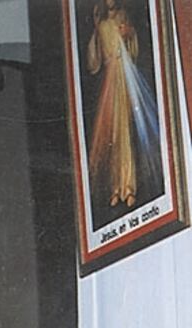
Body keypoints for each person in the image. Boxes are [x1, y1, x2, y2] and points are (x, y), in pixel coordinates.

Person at [86, 0, 161, 216]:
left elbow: (133, 46)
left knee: (125, 133)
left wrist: (129, 34)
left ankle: (128, 187)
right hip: (110, 81)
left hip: (124, 77)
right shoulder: (101, 24)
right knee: (112, 136)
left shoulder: (123, 16)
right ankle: (115, 188)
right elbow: (94, 63)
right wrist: (96, 30)